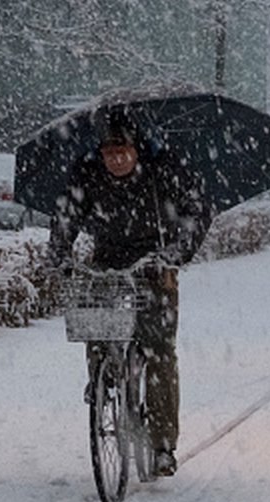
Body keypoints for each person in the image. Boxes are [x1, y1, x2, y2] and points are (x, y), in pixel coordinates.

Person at [47, 109, 212, 476]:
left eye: (122, 150)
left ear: (137, 148)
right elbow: (66, 216)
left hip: (155, 263)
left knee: (159, 351)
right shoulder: (86, 173)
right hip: (107, 260)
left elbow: (197, 210)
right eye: (108, 151)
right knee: (97, 325)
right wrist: (59, 252)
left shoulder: (164, 168)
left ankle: (163, 443)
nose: (115, 158)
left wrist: (175, 254)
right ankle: (102, 377)